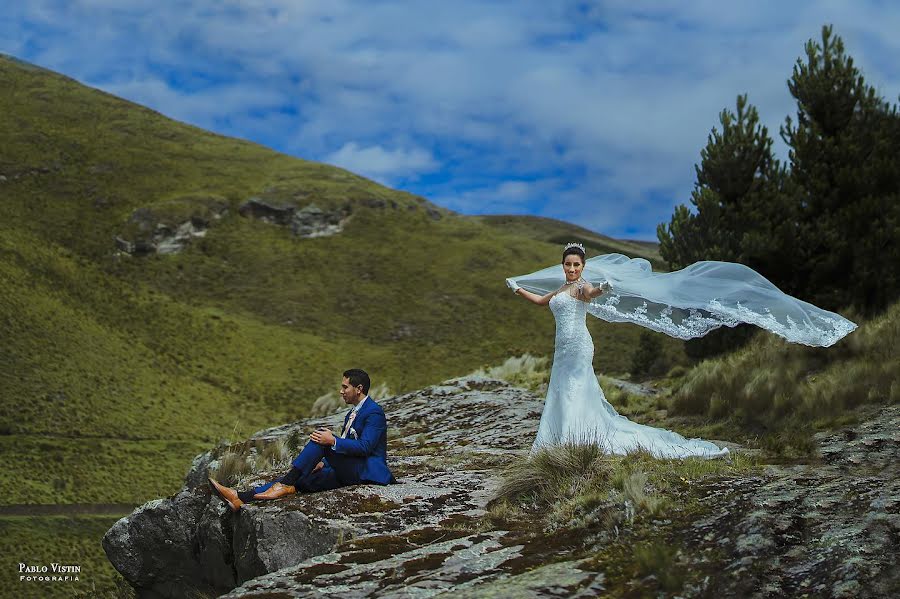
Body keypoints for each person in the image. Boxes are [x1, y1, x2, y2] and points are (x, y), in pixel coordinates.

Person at [507, 243, 856, 456]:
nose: (570, 269)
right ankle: (559, 441)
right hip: (562, 348)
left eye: (576, 265)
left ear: (583, 267)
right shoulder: (558, 291)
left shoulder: (582, 288)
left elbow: (593, 295)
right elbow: (541, 302)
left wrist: (602, 287)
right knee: (562, 388)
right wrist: (517, 288)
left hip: (579, 346)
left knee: (574, 388)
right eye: (567, 265)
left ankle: (571, 441)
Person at [209, 369, 395, 511]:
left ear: (359, 389)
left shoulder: (374, 412)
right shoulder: (352, 413)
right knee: (302, 477)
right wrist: (322, 462)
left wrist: (333, 442)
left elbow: (365, 447)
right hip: (348, 470)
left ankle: (283, 485)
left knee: (322, 438)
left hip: (367, 473)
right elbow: (346, 449)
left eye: (345, 387)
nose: (341, 391)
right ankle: (240, 497)